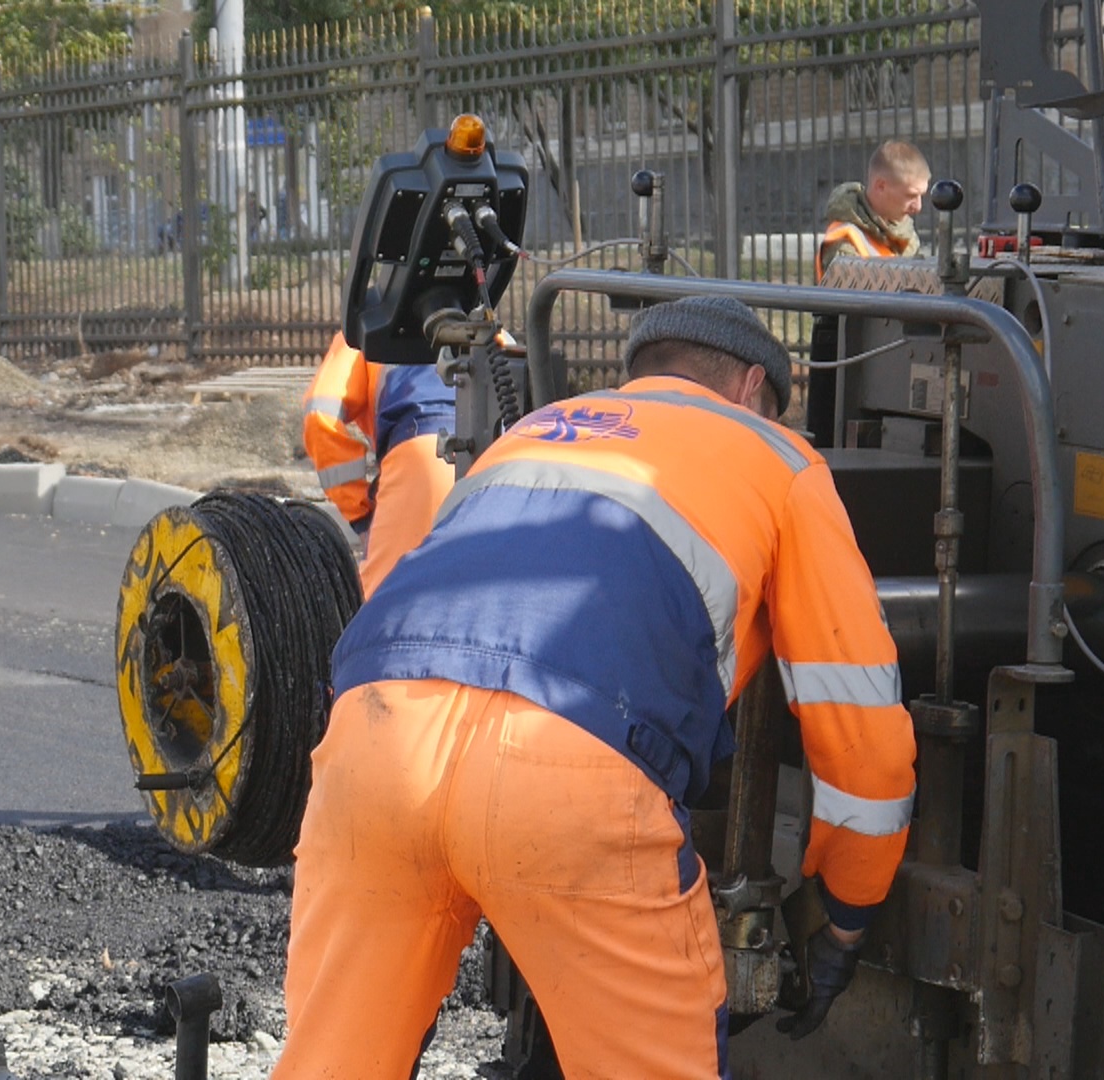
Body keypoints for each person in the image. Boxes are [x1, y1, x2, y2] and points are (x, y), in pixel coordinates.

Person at [273, 297, 917, 1079]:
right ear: (752, 386)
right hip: (571, 775)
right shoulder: (780, 458)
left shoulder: (533, 432)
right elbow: (864, 743)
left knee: (332, 1064)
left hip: (372, 748)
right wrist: (844, 917)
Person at [301, 331, 457, 597]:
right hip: (493, 465)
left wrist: (360, 514)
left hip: (420, 458)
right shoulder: (485, 323)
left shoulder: (366, 328)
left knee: (380, 616)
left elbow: (320, 418)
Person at [807, 140, 929, 445]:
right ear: (881, 186)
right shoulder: (844, 238)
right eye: (911, 196)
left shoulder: (903, 238)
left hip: (888, 358)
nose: (918, 207)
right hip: (845, 358)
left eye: (922, 195)